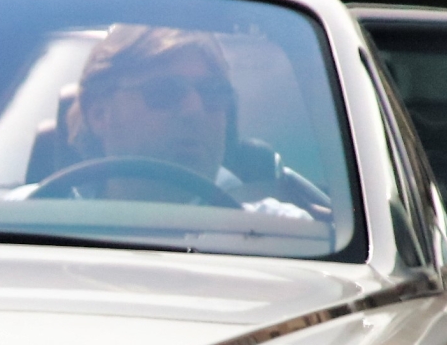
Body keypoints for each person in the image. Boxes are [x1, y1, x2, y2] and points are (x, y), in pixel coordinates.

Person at [58, 25, 317, 219]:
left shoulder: (280, 233)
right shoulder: (24, 217)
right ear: (99, 114)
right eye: (165, 92)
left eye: (213, 93)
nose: (194, 110)